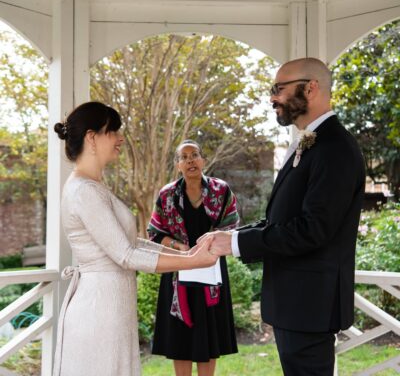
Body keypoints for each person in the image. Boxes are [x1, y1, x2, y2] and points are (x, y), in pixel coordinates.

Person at [199, 58, 366, 375]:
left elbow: (312, 230)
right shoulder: (310, 143)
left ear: (311, 88)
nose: (272, 97)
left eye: (279, 89)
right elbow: (283, 221)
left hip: (310, 306)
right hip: (296, 306)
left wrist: (236, 244)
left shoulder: (335, 147)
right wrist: (229, 237)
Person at [52, 102, 217, 376]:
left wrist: (186, 255)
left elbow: (133, 242)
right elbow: (126, 255)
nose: (120, 139)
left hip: (112, 308)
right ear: (92, 138)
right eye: (113, 131)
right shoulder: (84, 192)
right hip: (99, 311)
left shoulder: (94, 187)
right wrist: (192, 263)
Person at [147, 140, 239, 376]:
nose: (190, 160)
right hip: (178, 272)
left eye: (195, 155)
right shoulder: (167, 195)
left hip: (212, 271)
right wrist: (181, 247)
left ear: (203, 161)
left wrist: (209, 245)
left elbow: (233, 226)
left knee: (209, 337)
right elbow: (155, 233)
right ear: (178, 165)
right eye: (184, 157)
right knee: (180, 339)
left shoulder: (221, 190)